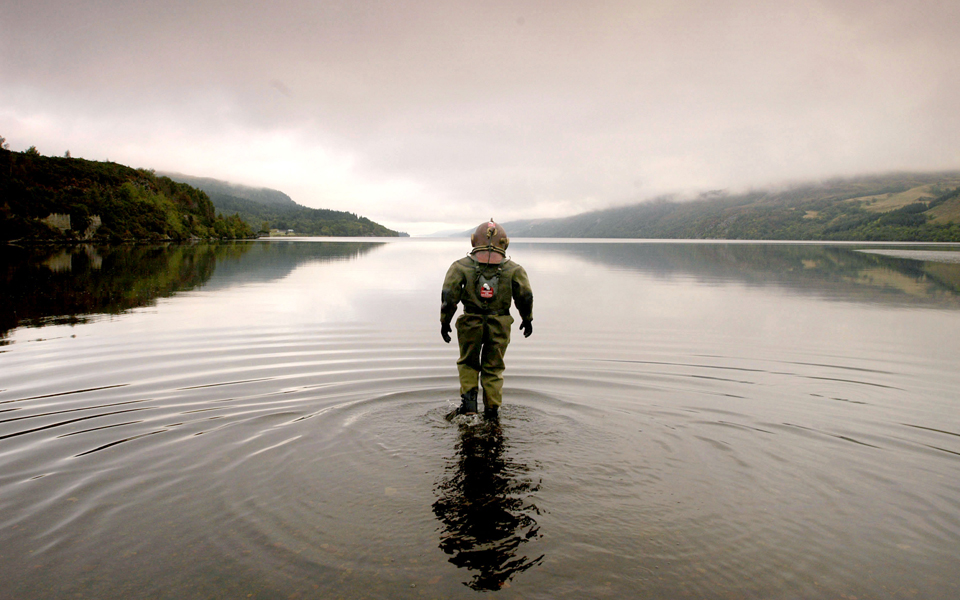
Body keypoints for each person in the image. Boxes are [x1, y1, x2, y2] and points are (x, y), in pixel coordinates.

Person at [440, 220, 533, 419]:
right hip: (499, 324)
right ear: (504, 243)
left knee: (468, 364)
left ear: (474, 241)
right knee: (494, 368)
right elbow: (525, 296)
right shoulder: (514, 270)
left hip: (470, 323)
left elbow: (449, 296)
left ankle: (469, 408)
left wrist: (445, 321)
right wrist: (527, 319)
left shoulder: (460, 267)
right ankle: (492, 413)